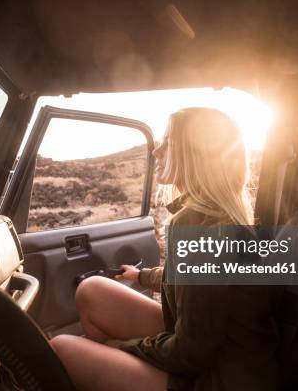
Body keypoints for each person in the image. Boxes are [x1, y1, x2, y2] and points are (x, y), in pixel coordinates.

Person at [50, 108, 279, 390]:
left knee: (61, 350)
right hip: (217, 353)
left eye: (168, 142)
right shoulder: (211, 217)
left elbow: (190, 352)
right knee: (92, 291)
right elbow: (191, 281)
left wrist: (122, 348)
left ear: (195, 154)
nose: (156, 151)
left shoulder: (198, 226)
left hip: (219, 378)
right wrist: (141, 275)